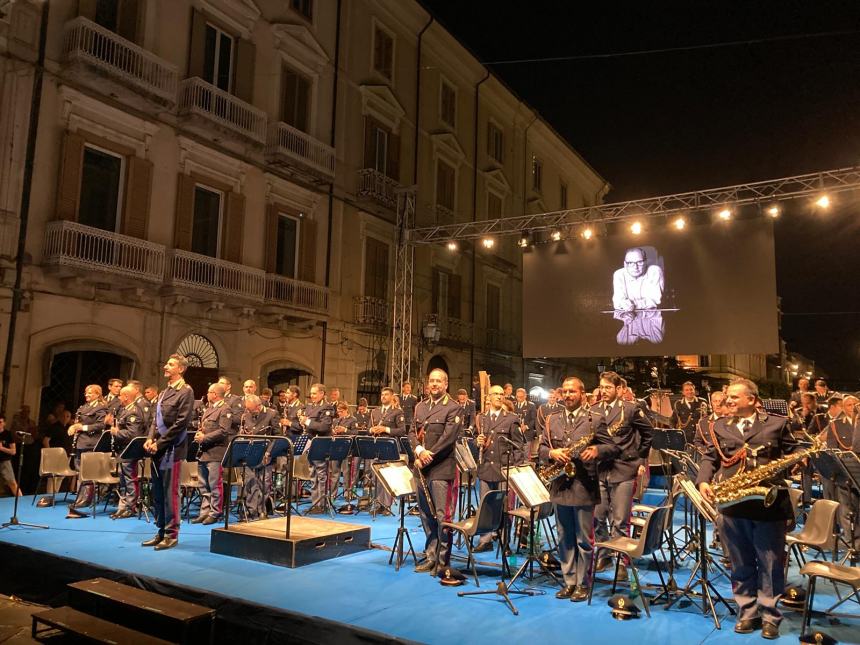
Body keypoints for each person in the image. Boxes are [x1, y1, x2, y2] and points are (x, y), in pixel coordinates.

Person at [697, 378, 799, 639]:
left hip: (769, 505)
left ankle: (770, 616)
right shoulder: (719, 425)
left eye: (733, 397)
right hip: (733, 505)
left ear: (752, 400)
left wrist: (798, 462)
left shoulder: (777, 423)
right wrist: (703, 481)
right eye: (727, 397)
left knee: (770, 563)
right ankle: (747, 611)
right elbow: (710, 456)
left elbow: (794, 451)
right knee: (739, 561)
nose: (727, 401)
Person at [544, 378, 611, 601]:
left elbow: (613, 447)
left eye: (572, 391)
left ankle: (583, 583)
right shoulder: (552, 420)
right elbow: (542, 446)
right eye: (565, 391)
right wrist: (551, 453)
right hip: (560, 486)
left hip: (584, 485)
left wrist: (597, 450)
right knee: (564, 537)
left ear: (582, 394)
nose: (568, 394)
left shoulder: (595, 419)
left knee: (584, 540)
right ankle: (569, 581)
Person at [592, 371, 653, 577]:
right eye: (602, 387)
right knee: (598, 516)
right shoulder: (593, 410)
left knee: (620, 519)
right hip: (600, 469)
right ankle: (603, 555)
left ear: (618, 389)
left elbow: (648, 433)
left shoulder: (631, 409)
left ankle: (621, 561)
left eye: (608, 387)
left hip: (623, 469)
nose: (604, 391)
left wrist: (637, 457)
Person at [410, 369, 463, 584]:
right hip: (422, 467)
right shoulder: (420, 406)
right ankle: (431, 555)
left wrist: (429, 454)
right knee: (425, 514)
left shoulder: (453, 407)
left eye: (438, 381)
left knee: (442, 517)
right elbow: (412, 432)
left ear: (446, 384)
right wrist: (419, 451)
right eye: (431, 381)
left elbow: (448, 437)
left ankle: (443, 561)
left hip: (441, 467)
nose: (434, 384)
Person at [142, 354, 194, 550]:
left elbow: (182, 423)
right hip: (157, 449)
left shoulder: (186, 391)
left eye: (171, 364)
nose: (166, 366)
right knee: (157, 493)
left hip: (172, 449)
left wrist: (160, 443)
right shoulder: (164, 392)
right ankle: (161, 531)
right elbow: (156, 420)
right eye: (167, 363)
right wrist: (149, 439)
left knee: (170, 493)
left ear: (180, 369)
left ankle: (171, 534)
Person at [473, 384, 523, 553]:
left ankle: (505, 541)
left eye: (502, 394)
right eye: (496, 394)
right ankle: (485, 540)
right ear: (488, 397)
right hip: (485, 468)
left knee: (504, 508)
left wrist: (516, 470)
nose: (499, 396)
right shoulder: (481, 418)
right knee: (485, 507)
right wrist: (476, 442)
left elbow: (518, 446)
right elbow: (474, 440)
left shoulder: (511, 418)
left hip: (503, 470)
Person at [192, 383, 234, 525]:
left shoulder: (225, 409)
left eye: (209, 392)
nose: (207, 394)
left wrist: (205, 437)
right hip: (204, 451)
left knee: (214, 483)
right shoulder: (209, 408)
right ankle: (204, 511)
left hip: (216, 451)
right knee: (203, 484)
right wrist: (200, 433)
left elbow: (223, 431)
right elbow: (205, 427)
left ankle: (215, 512)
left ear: (215, 394)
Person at [66, 386, 108, 518]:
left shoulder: (101, 408)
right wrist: (73, 427)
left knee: (88, 473)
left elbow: (101, 425)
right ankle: (80, 497)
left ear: (97, 394)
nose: (87, 395)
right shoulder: (83, 407)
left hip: (91, 443)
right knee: (80, 471)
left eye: (90, 393)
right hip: (80, 443)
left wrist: (82, 427)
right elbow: (78, 422)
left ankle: (86, 499)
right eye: (86, 393)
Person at [110, 384, 149, 519]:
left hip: (129, 450)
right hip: (123, 450)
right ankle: (123, 506)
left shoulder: (133, 411)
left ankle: (130, 507)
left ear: (126, 396)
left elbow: (133, 433)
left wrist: (117, 432)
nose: (119, 397)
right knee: (123, 479)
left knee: (130, 479)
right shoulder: (124, 409)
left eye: (120, 395)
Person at [240, 394, 279, 519]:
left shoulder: (272, 414)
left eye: (250, 409)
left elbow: (277, 436)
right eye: (247, 409)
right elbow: (241, 433)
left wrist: (269, 452)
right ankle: (252, 510)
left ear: (258, 407)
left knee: (264, 483)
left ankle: (262, 510)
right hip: (249, 453)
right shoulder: (245, 415)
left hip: (265, 453)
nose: (249, 412)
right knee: (250, 482)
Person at [369, 388, 406, 514]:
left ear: (391, 396)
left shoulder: (397, 411)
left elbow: (402, 431)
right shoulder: (375, 411)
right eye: (382, 394)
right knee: (377, 477)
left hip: (389, 447)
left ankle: (386, 505)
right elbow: (369, 428)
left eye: (386, 395)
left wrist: (385, 429)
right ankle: (378, 503)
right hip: (376, 447)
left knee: (387, 476)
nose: (383, 397)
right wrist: (372, 430)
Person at [300, 383, 335, 514]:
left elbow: (324, 427)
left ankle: (322, 503)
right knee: (312, 474)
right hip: (310, 443)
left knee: (321, 474)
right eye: (311, 393)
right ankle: (315, 503)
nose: (312, 396)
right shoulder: (309, 406)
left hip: (321, 443)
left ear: (322, 394)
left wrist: (307, 422)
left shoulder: (327, 407)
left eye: (315, 393)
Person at [612, 247, 664, 312]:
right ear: (625, 264)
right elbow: (617, 302)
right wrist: (623, 304)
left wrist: (632, 305)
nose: (635, 267)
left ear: (645, 262)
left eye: (639, 262)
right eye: (630, 263)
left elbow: (656, 300)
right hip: (630, 318)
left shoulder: (654, 271)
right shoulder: (619, 274)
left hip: (653, 317)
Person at [0, 416, 20, 497]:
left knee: (12, 483)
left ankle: (21, 500)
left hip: (5, 461)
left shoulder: (7, 434)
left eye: (0, 422)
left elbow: (13, 451)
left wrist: (1, 448)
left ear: (4, 423)